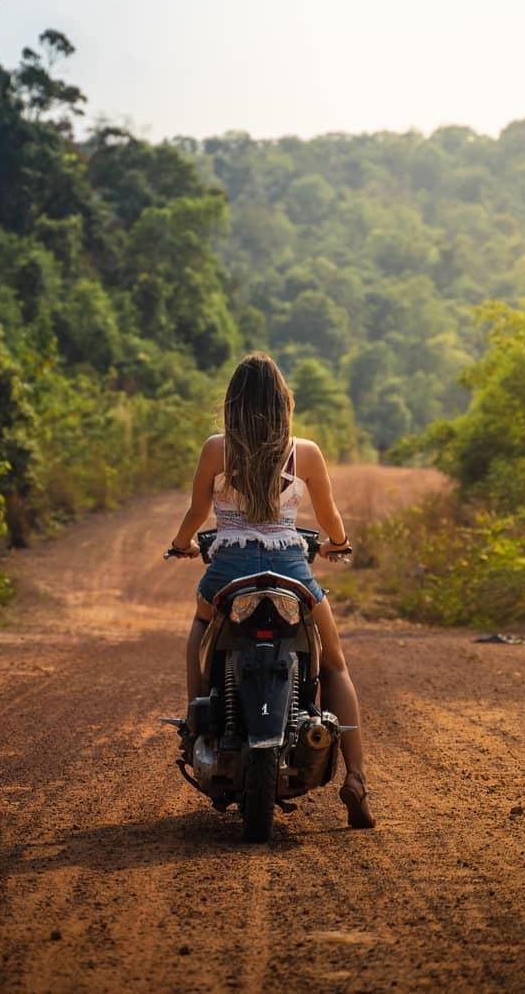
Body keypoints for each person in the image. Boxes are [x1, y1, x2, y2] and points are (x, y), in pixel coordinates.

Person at [168, 351, 375, 829]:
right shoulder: (305, 452)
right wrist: (338, 545)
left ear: (233, 403)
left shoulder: (217, 449)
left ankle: (198, 726)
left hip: (229, 572)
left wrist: (180, 546)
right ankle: (357, 777)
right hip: (289, 572)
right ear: (283, 402)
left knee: (201, 629)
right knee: (335, 663)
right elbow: (329, 519)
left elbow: (197, 515)